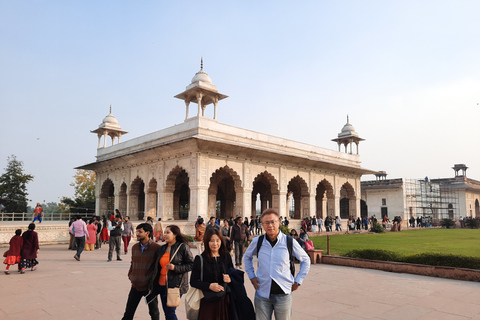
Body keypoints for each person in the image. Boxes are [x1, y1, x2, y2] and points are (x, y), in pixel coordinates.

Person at [244, 208, 310, 320]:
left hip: (283, 293)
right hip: (262, 293)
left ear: (279, 222)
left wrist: (298, 280)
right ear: (262, 225)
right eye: (266, 222)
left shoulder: (289, 241)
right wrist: (251, 276)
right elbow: (247, 257)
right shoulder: (258, 242)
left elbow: (306, 260)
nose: (270, 225)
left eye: (273, 221)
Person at [190, 228, 233, 319]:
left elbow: (233, 274)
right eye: (211, 241)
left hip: (224, 301)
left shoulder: (226, 256)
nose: (215, 244)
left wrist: (230, 279)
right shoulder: (200, 259)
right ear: (206, 242)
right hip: (207, 301)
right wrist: (209, 286)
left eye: (218, 240)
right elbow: (193, 281)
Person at [121, 223, 161, 320]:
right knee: (128, 313)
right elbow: (132, 263)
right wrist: (131, 275)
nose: (137, 234)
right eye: (137, 231)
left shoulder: (156, 248)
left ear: (147, 233)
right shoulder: (135, 247)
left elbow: (158, 267)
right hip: (135, 285)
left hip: (149, 287)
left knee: (154, 313)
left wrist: (153, 283)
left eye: (140, 232)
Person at [153, 225, 194, 320]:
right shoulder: (162, 248)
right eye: (165, 232)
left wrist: (175, 267)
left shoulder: (183, 247)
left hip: (175, 285)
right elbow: (157, 268)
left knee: (170, 312)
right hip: (162, 284)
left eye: (168, 232)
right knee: (167, 313)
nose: (165, 234)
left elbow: (191, 265)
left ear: (175, 234)